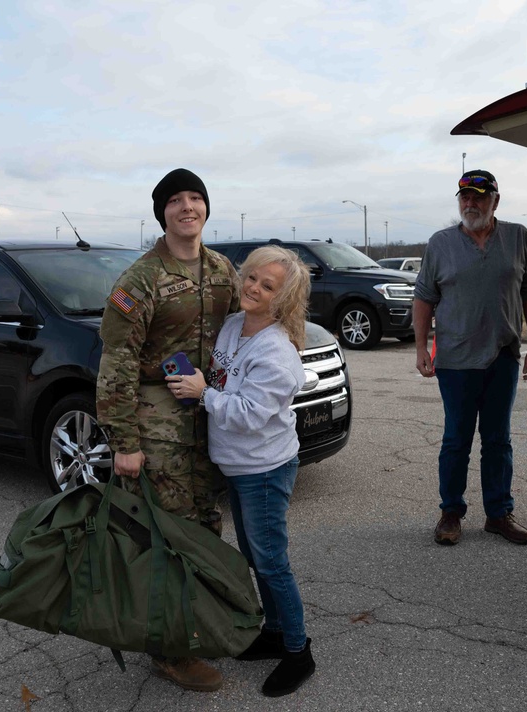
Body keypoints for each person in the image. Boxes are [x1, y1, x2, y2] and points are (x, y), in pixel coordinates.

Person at [96, 168, 240, 692]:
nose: (187, 207)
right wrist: (124, 444)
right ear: (162, 213)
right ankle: (169, 652)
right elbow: (116, 362)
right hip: (158, 429)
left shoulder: (223, 270)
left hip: (207, 418)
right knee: (167, 537)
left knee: (205, 527)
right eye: (175, 200)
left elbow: (251, 326)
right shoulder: (141, 279)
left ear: (206, 208)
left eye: (196, 198)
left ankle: (199, 626)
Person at [167, 246, 316, 698]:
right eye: (251, 277)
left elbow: (251, 413)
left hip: (264, 470)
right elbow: (225, 380)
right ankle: (273, 633)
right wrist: (201, 380)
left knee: (272, 561)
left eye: (267, 286)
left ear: (283, 299)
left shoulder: (276, 351)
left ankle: (298, 651)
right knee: (256, 558)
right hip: (238, 466)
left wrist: (202, 393)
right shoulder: (235, 326)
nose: (253, 287)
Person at [413, 169, 527, 547]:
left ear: (495, 201)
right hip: (454, 360)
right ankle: (450, 512)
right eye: (464, 197)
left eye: (479, 197)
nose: (470, 203)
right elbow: (424, 298)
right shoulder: (440, 244)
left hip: (502, 356)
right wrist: (421, 347)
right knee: (456, 440)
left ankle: (499, 513)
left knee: (498, 439)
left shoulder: (518, 237)